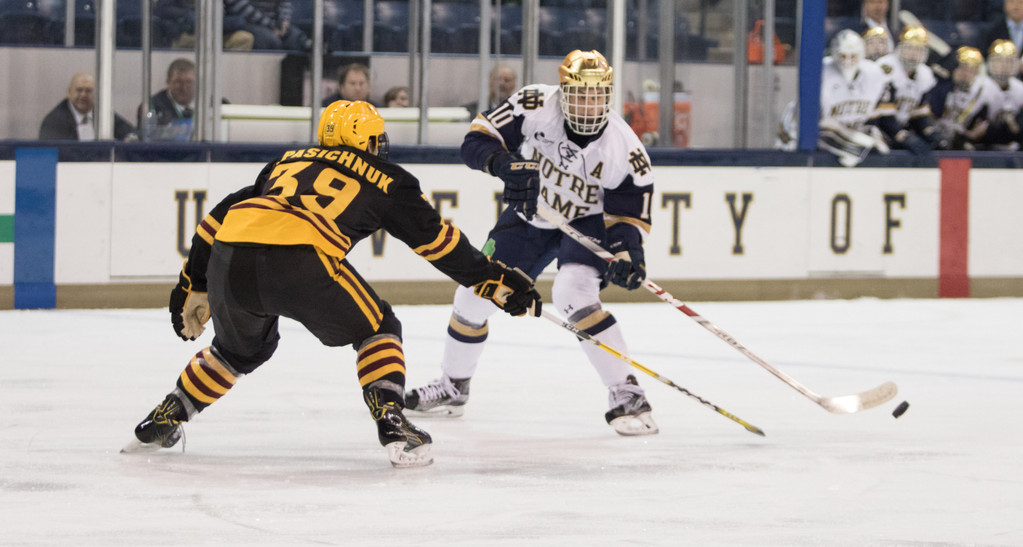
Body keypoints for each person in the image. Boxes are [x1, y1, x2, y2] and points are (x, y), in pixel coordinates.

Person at [120, 101, 542, 468]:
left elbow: (216, 218)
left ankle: (166, 416)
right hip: (302, 259)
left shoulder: (286, 162)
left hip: (231, 257)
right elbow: (439, 245)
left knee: (234, 351)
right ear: (368, 143)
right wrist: (498, 283)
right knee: (378, 328)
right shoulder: (389, 178)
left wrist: (193, 283)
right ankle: (392, 421)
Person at [406, 50, 659, 437]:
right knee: (473, 298)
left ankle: (627, 393)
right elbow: (477, 138)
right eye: (580, 95)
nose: (589, 105)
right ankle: (454, 387)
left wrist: (628, 253)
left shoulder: (624, 148)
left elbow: (627, 215)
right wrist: (504, 165)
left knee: (573, 292)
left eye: (598, 95)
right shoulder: (535, 103)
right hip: (530, 215)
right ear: (563, 91)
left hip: (586, 221)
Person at [818, 30, 894, 166]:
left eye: (852, 56)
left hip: (854, 132)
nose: (847, 61)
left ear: (861, 54)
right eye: (843, 55)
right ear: (834, 54)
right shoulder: (822, 72)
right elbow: (820, 123)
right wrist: (862, 141)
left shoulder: (875, 73)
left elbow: (879, 113)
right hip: (824, 141)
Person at [872, 26, 945, 153]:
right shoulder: (886, 67)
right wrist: (901, 135)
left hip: (899, 127)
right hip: (876, 128)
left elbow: (919, 113)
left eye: (918, 50)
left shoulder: (925, 74)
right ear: (899, 49)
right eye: (909, 48)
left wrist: (928, 131)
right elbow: (883, 115)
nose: (913, 54)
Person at [928, 46, 1000, 150]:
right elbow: (930, 114)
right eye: (963, 68)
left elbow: (982, 126)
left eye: (972, 71)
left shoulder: (983, 95)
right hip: (932, 138)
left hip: (960, 142)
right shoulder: (938, 88)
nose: (966, 74)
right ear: (954, 68)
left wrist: (971, 135)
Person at [39, 72, 137, 141]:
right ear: (69, 93)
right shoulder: (54, 120)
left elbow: (129, 132)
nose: (83, 95)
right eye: (79, 90)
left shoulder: (102, 113)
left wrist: (129, 138)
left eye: (88, 91)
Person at [137, 58, 199, 141]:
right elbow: (147, 137)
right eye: (178, 82)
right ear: (168, 82)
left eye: (189, 82)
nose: (184, 88)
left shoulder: (210, 105)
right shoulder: (152, 107)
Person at [154, 0, 255, 50]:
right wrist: (188, 17)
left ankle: (227, 74)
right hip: (189, 34)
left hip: (220, 31)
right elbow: (162, 9)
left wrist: (225, 23)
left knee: (244, 38)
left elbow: (238, 14)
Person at [223, 0, 311, 51]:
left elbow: (285, 4)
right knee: (271, 40)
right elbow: (240, 7)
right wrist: (270, 25)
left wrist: (284, 21)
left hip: (274, 24)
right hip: (247, 22)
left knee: (296, 38)